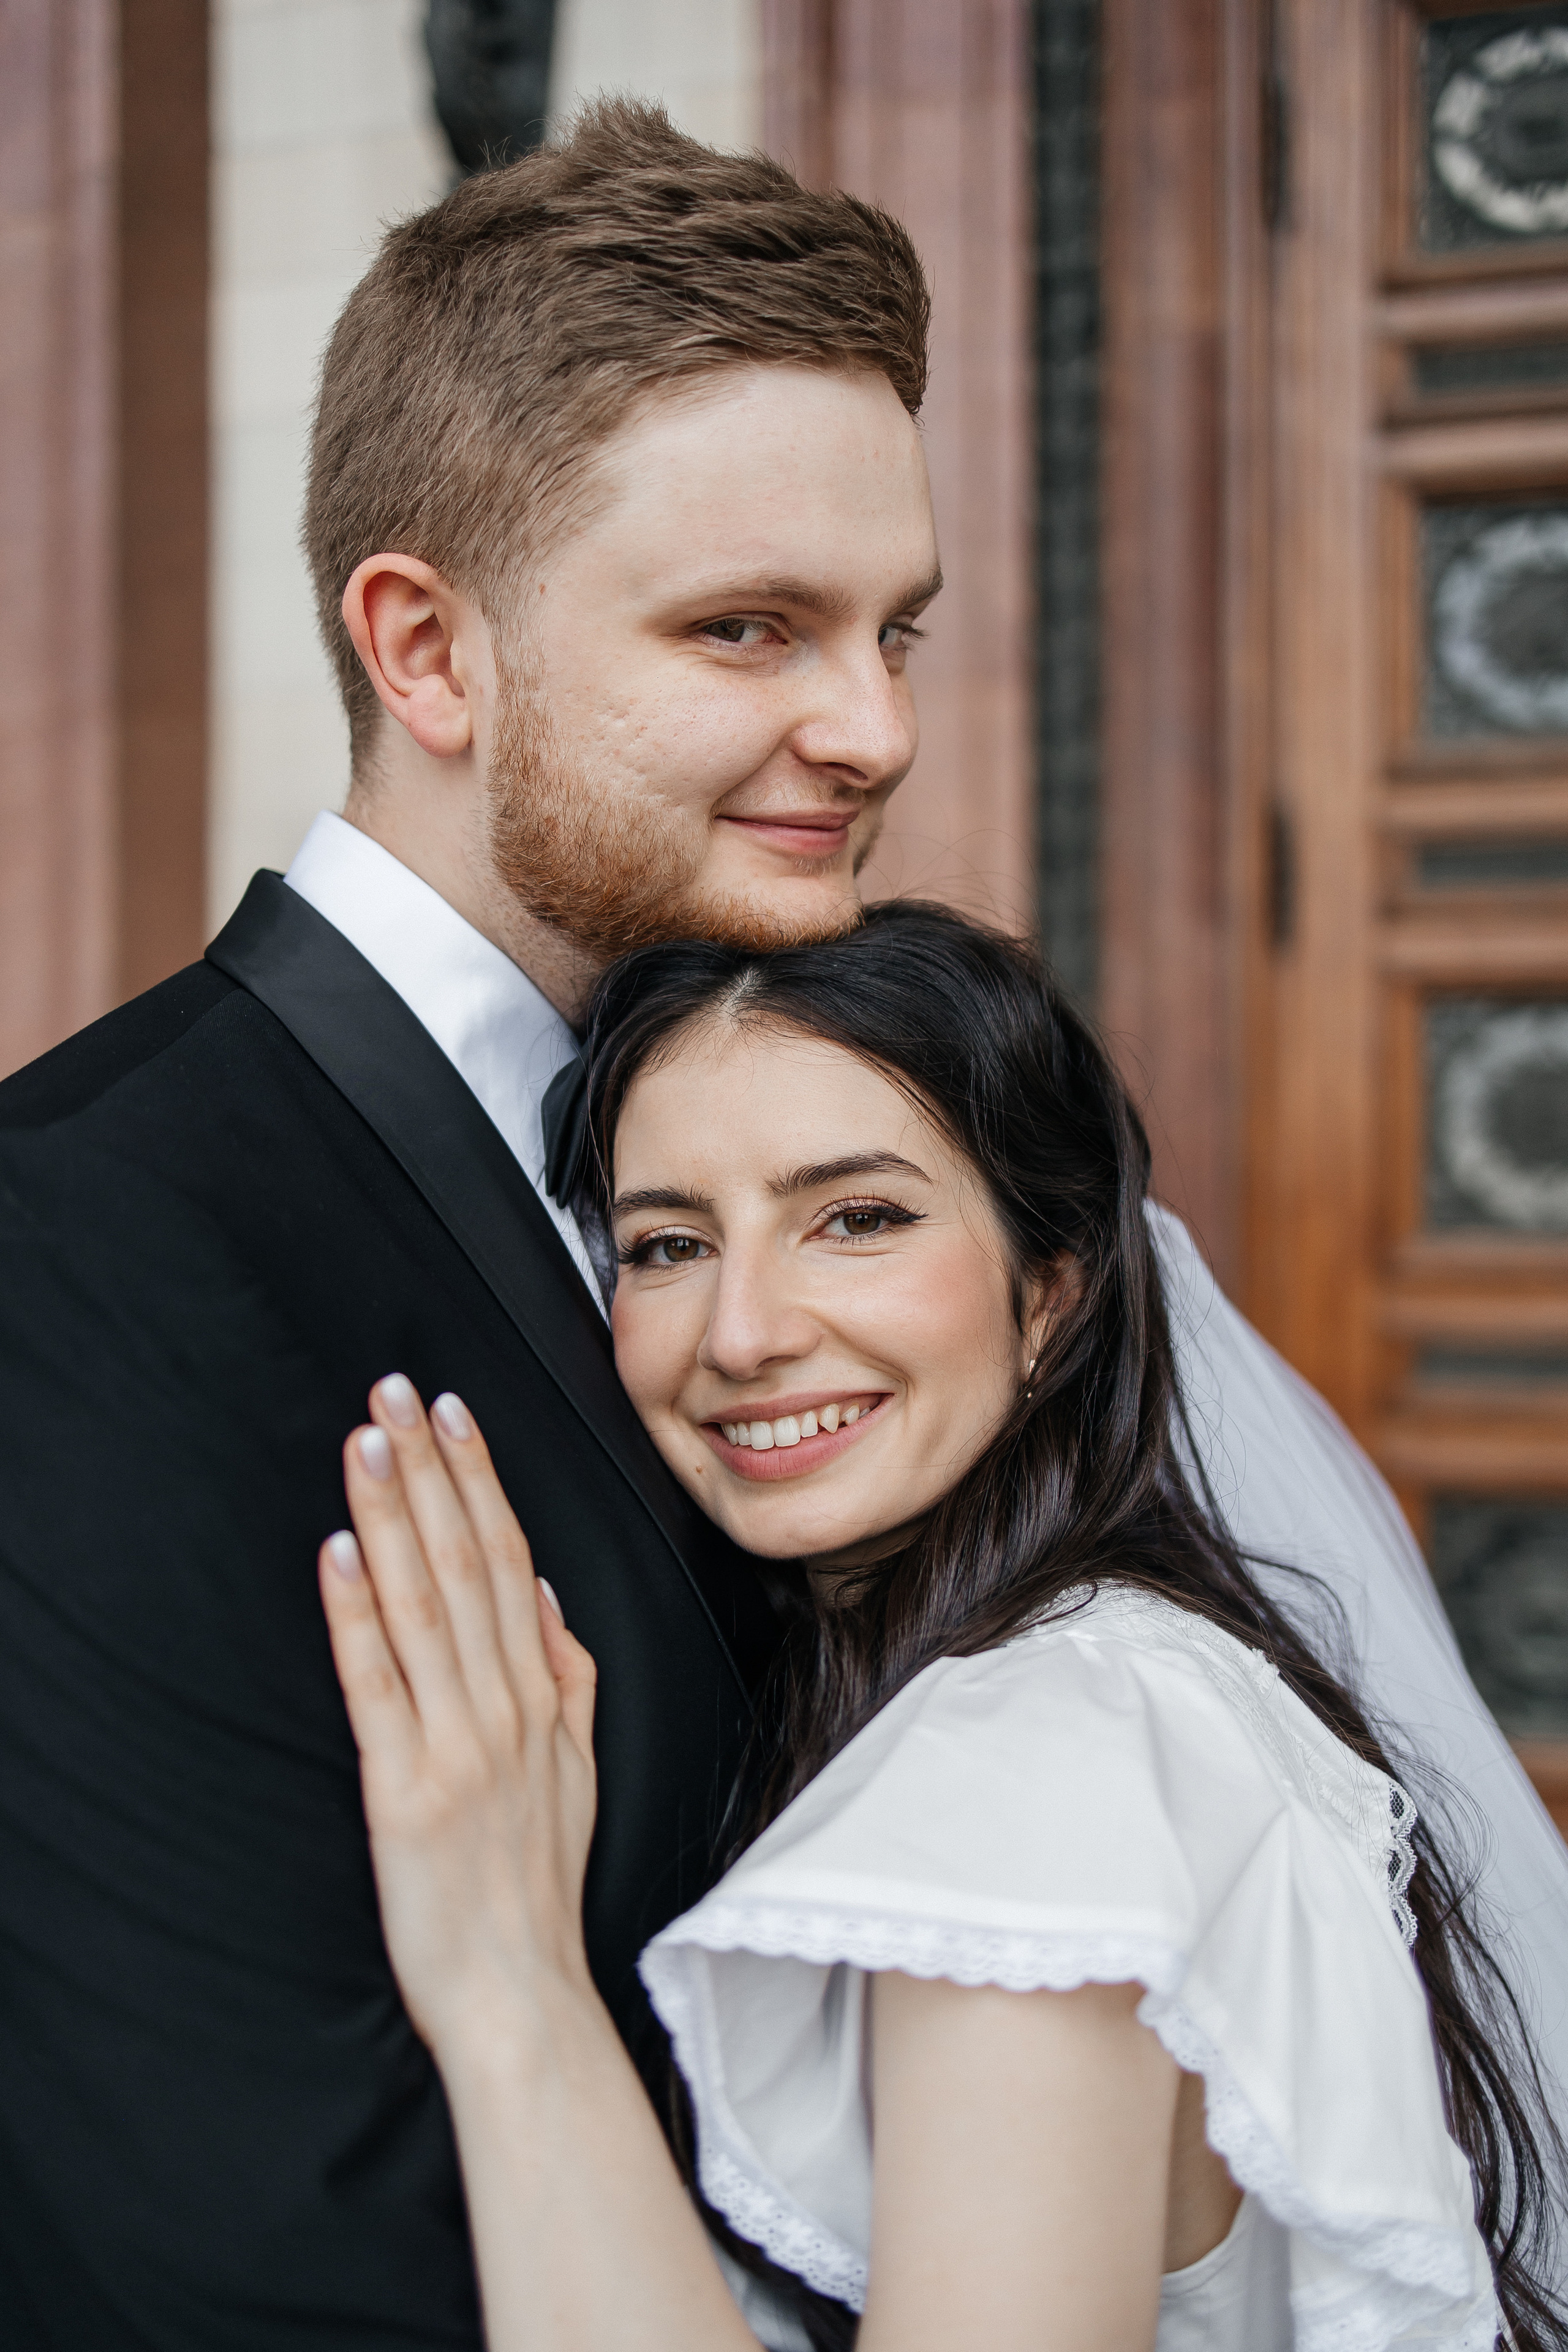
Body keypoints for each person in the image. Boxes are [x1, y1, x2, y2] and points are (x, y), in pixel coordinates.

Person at [0, 95, 1561, 2344]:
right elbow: (221, 2236)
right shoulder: (83, 1246)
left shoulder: (834, 1140)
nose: (873, 725)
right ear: (428, 656)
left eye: (897, 630)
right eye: (752, 629)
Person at [316, 901, 1566, 2352]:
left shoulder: (1044, 1761)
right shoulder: (1071, 1683)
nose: (741, 1333)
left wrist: (505, 1983)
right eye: (666, 1244)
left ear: (1050, 1297)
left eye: (855, 1219)